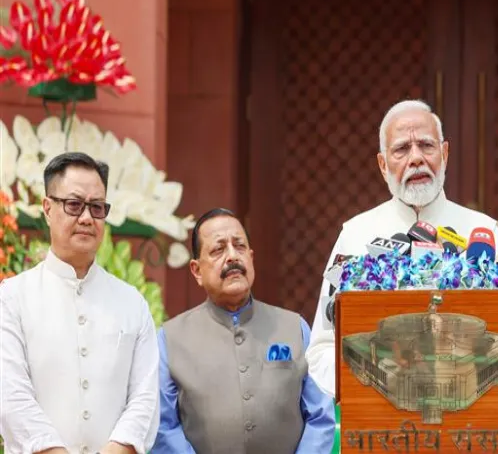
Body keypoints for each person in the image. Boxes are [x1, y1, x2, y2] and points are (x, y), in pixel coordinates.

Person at [306, 99, 498, 397]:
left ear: (445, 153)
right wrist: (371, 379)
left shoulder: (482, 233)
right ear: (382, 164)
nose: (416, 158)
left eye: (426, 145)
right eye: (401, 149)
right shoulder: (355, 235)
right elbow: (322, 348)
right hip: (380, 423)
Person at [0, 152, 159, 454]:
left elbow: (145, 398)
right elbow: (10, 396)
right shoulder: (12, 298)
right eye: (73, 205)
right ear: (47, 208)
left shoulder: (132, 303)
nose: (86, 218)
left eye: (97, 207)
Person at [152, 208, 335, 454]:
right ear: (197, 271)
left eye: (239, 246)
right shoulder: (170, 339)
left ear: (251, 257)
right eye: (218, 249)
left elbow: (320, 417)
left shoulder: (294, 327)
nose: (232, 257)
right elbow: (163, 426)